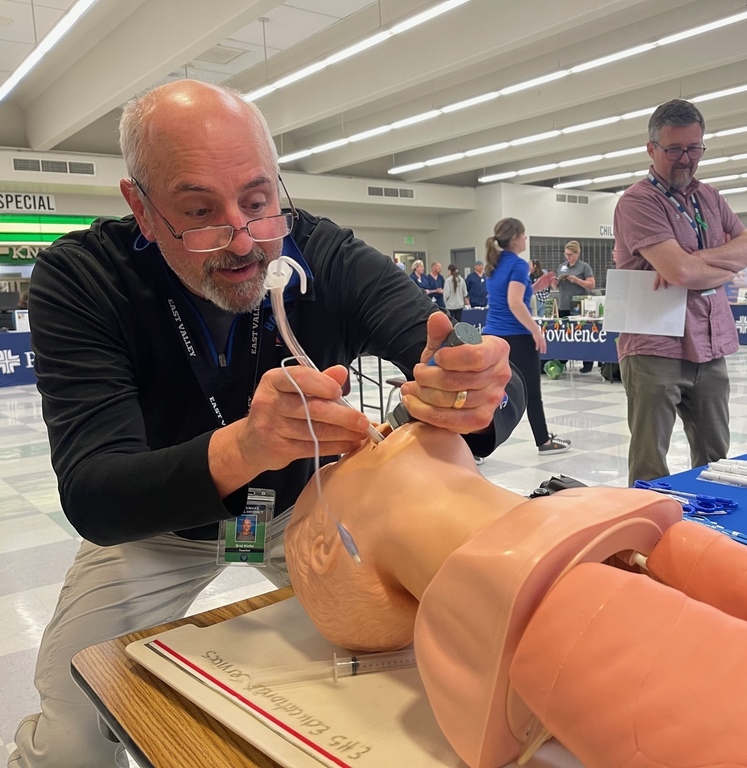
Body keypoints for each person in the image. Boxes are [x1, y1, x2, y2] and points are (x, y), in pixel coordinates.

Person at [9, 79, 524, 768]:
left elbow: (466, 360)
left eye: (257, 202)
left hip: (304, 511)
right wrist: (248, 445)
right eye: (199, 212)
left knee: (428, 651)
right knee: (73, 706)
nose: (244, 241)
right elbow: (96, 494)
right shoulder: (82, 280)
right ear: (141, 206)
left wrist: (474, 388)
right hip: (157, 529)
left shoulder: (324, 253)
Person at [284, 422, 747, 768]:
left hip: (592, 539)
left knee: (691, 560)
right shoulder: (530, 606)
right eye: (334, 465)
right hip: (540, 593)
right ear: (323, 548)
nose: (368, 427)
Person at [612, 99, 747, 485]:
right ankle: (652, 542)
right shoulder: (638, 202)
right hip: (654, 346)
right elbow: (678, 270)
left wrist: (695, 264)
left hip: (710, 345)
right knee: (650, 467)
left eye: (694, 148)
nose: (685, 159)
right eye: (674, 149)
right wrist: (708, 267)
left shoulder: (709, 196)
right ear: (651, 149)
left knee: (717, 462)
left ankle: (712, 536)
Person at [482, 218, 570, 455]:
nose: (526, 239)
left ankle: (474, 446)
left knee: (488, 393)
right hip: (518, 338)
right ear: (514, 239)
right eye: (523, 235)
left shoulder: (494, 263)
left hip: (492, 336)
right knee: (531, 392)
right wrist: (535, 329)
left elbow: (507, 295)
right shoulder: (519, 265)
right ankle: (543, 441)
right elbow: (514, 302)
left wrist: (536, 286)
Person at [555, 240, 596, 373]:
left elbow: (591, 284)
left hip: (579, 304)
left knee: (582, 333)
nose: (568, 257)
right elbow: (556, 286)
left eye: (571, 254)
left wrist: (577, 280)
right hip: (563, 304)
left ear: (577, 254)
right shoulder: (562, 267)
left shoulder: (584, 267)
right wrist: (554, 282)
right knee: (565, 334)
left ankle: (587, 362)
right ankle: (563, 360)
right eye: (566, 254)